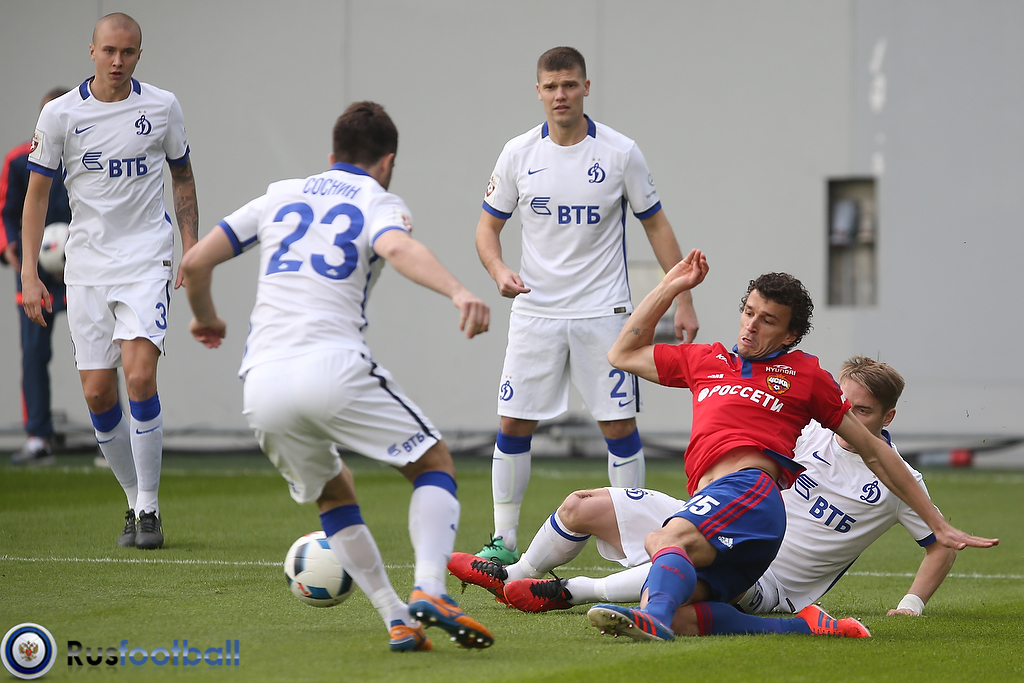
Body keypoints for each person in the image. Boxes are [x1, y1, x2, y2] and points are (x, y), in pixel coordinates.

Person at [180, 101, 494, 653]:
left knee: (333, 492)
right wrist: (458, 291)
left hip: (261, 382)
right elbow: (396, 247)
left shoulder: (279, 195)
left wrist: (205, 317)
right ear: (387, 162)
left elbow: (194, 263)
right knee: (433, 463)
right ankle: (431, 588)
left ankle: (397, 619)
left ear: (331, 155)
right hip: (332, 365)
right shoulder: (378, 200)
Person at [581, 250, 995, 641]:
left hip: (750, 496)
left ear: (790, 334)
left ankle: (620, 608)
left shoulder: (805, 376)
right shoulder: (711, 361)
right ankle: (802, 628)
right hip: (730, 514)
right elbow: (621, 354)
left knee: (664, 540)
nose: (751, 326)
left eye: (767, 320)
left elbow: (875, 451)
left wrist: (937, 526)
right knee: (680, 608)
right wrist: (670, 287)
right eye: (748, 313)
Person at [449, 357, 957, 637]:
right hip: (722, 517)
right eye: (844, 404)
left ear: (888, 417)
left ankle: (572, 591)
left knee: (678, 577)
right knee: (583, 506)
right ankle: (516, 576)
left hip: (768, 580)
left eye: (863, 411)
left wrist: (911, 605)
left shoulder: (899, 481)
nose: (849, 418)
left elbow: (941, 545)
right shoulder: (807, 432)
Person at [472, 46, 699, 565]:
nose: (561, 95)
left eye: (570, 85)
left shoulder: (620, 152)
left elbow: (656, 225)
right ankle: (504, 538)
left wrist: (683, 298)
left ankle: (636, 545)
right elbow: (487, 228)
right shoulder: (517, 154)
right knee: (513, 423)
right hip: (535, 314)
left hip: (605, 316)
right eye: (551, 86)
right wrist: (498, 270)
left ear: (586, 87)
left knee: (618, 427)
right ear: (538, 91)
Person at [19, 13, 199, 550]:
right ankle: (132, 496)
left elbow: (183, 177)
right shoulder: (60, 114)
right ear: (92, 50)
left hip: (146, 259)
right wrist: (29, 271)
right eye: (109, 51)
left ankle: (149, 508)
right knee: (99, 394)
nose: (118, 61)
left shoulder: (162, 107)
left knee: (140, 377)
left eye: (128, 52)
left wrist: (192, 248)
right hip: (87, 268)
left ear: (139, 54)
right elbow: (35, 196)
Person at [1, 87, 71, 465]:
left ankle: (112, 435)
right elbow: (7, 211)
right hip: (34, 273)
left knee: (103, 350)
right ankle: (38, 437)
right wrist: (8, 247)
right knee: (33, 354)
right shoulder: (18, 161)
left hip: (82, 269)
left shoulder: (87, 157)